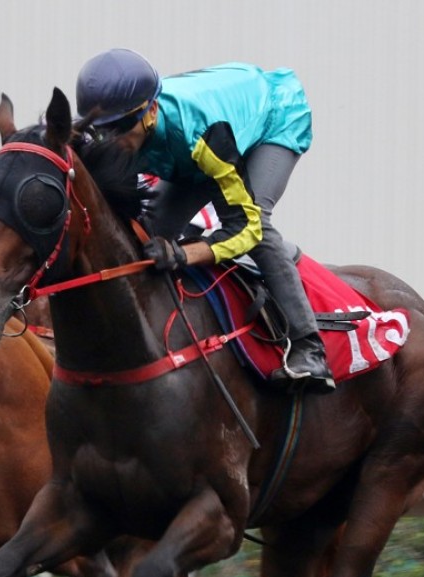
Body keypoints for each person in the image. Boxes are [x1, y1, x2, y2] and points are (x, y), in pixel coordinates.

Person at [75, 49, 335, 393]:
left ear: (150, 112)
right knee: (148, 235)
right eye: (102, 130)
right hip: (191, 145)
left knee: (259, 228)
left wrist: (185, 254)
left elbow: (245, 227)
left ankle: (310, 349)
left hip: (270, 119)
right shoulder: (111, 130)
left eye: (122, 127)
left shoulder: (201, 136)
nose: (113, 140)